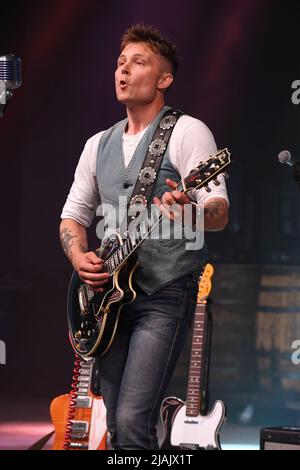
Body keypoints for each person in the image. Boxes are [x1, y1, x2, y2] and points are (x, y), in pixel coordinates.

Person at [60, 23, 229, 450]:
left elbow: (219, 212)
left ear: (164, 79)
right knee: (117, 427)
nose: (124, 71)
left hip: (164, 292)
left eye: (138, 62)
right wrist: (79, 257)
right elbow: (72, 218)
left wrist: (189, 211)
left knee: (135, 422)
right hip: (108, 300)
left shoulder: (190, 131)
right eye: (120, 62)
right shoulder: (97, 144)